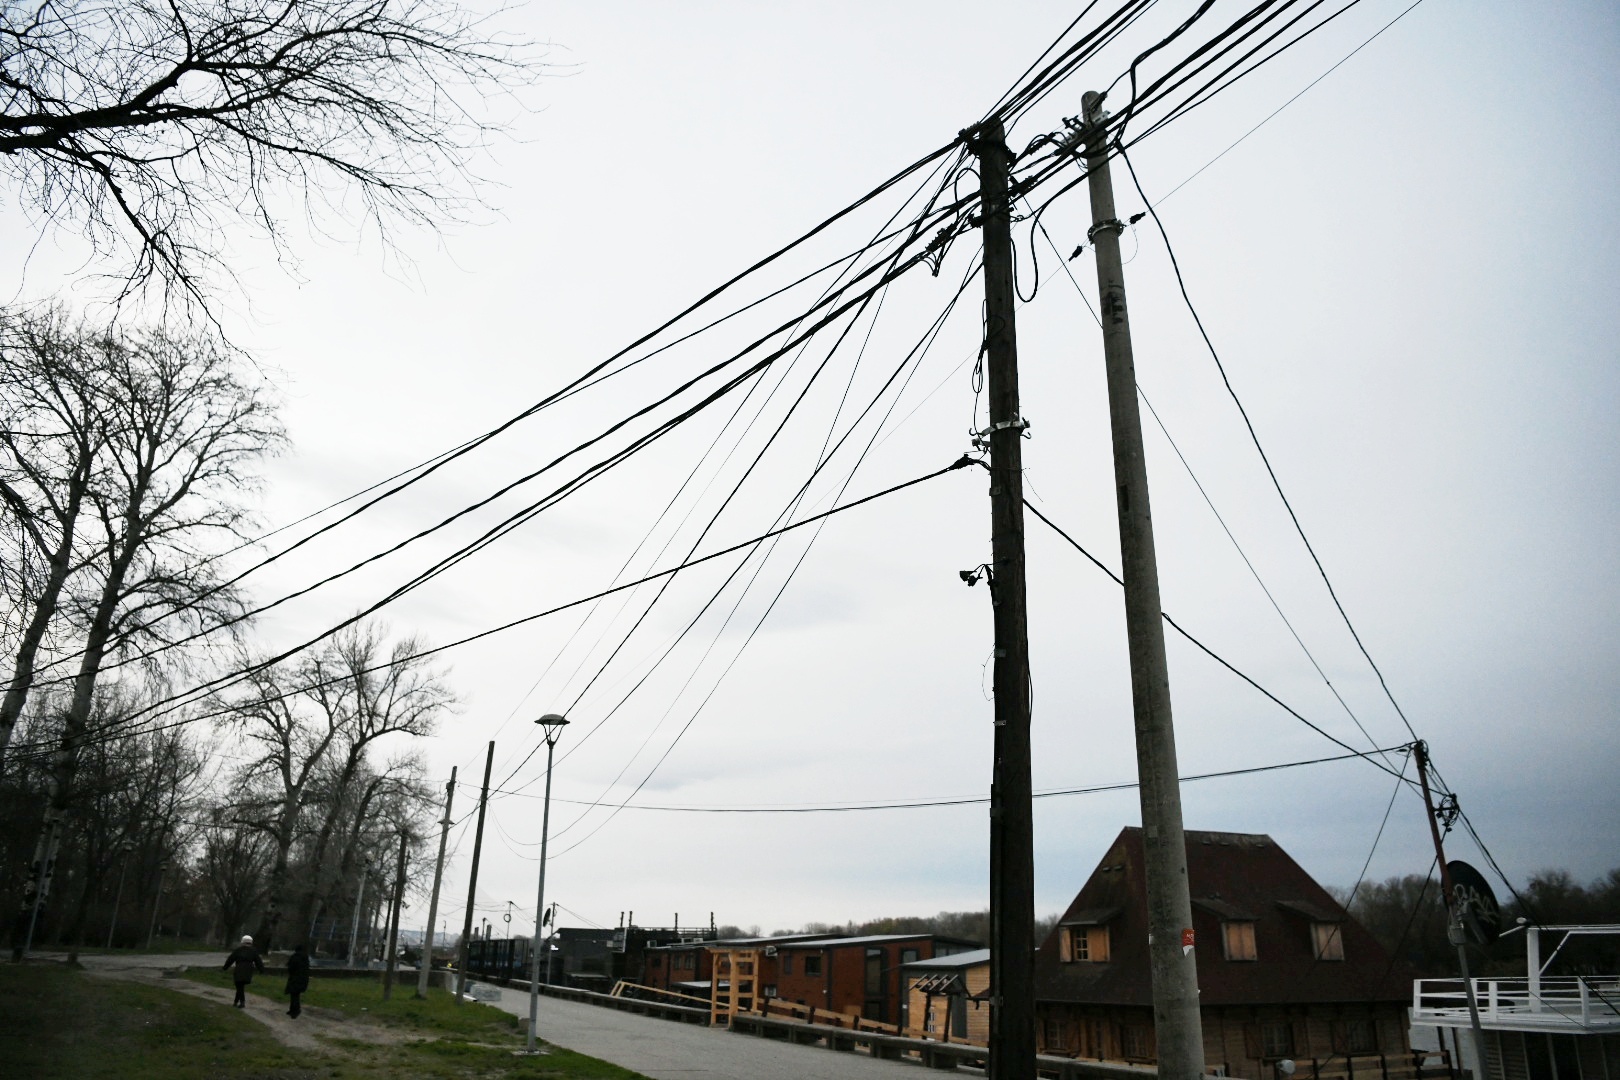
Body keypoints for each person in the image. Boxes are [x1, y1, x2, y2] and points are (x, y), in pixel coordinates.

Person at [222, 934, 265, 1007]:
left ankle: (242, 1002)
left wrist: (225, 968)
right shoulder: (253, 951)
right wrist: (261, 970)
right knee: (240, 986)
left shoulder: (238, 950)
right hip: (248, 970)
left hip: (239, 969)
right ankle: (235, 1002)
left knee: (239, 985)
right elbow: (258, 961)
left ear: (242, 942)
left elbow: (230, 959)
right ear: (251, 942)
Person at [285, 943, 310, 1018]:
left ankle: (295, 1011)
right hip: (303, 979)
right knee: (296, 994)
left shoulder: (295, 957)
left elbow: (290, 967)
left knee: (294, 995)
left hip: (295, 978)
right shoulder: (305, 958)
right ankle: (293, 1009)